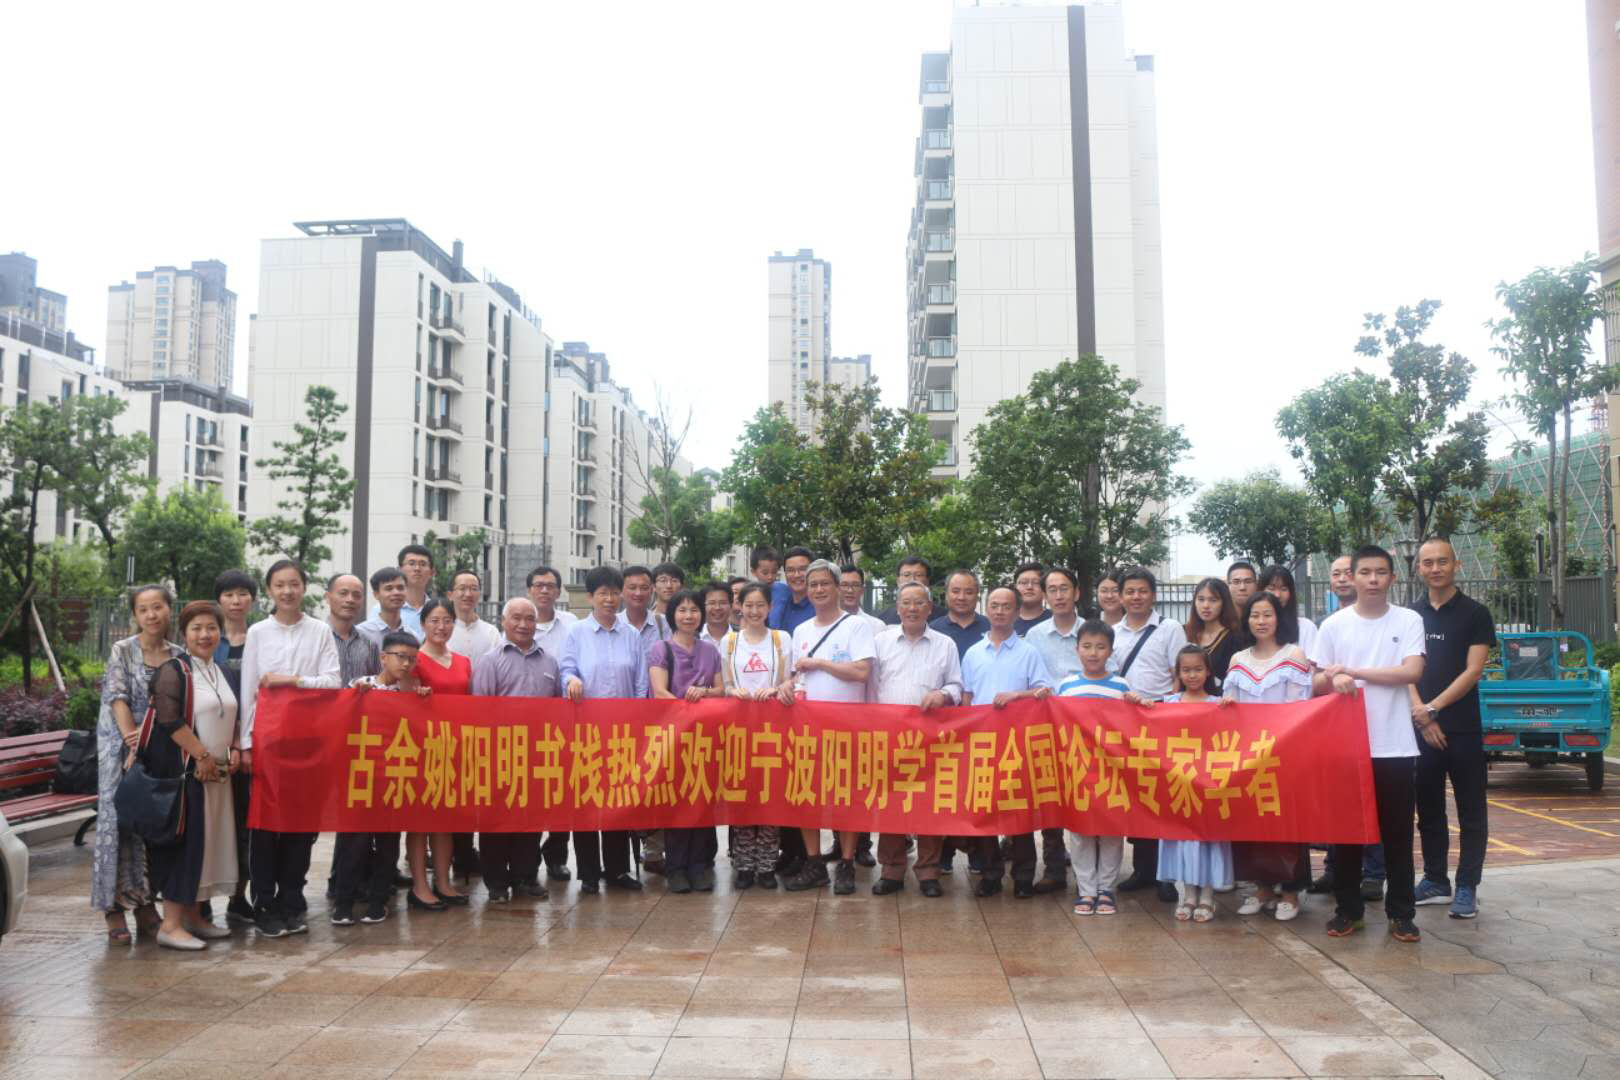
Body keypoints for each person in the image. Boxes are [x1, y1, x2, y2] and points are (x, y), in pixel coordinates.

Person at [1311, 544, 1426, 943]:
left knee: (1397, 835)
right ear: (1352, 577)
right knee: (1346, 834)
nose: (1373, 580)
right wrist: (1333, 678)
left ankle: (1402, 914)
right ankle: (1348, 911)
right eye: (1365, 572)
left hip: (1395, 746)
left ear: (1392, 577)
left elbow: (1411, 671)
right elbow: (1316, 682)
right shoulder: (1333, 626)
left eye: (1380, 572)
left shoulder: (1408, 620)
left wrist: (1353, 672)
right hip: (1347, 747)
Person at [239, 559, 342, 938]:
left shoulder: (319, 631)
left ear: (304, 587)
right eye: (280, 585)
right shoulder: (258, 633)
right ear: (269, 590)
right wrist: (245, 744)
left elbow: (333, 681)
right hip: (268, 742)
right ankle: (264, 902)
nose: (287, 591)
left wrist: (291, 680)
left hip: (309, 741)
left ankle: (292, 898)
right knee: (266, 826)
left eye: (294, 584)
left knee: (301, 825)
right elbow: (250, 690)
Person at [143, 601, 240, 950]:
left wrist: (235, 749)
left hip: (219, 776)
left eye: (211, 628)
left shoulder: (224, 671)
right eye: (196, 628)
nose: (204, 634)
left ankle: (195, 918)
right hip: (188, 774)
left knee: (208, 846)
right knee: (185, 846)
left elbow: (234, 714)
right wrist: (201, 754)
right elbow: (169, 720)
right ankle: (170, 925)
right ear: (183, 634)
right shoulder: (174, 670)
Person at [1409, 537, 1495, 920]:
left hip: (1463, 729)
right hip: (1421, 730)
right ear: (1419, 568)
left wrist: (1433, 708)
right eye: (1428, 562)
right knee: (1428, 810)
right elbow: (1406, 670)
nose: (1435, 568)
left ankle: (1466, 886)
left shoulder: (1476, 614)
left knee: (1471, 811)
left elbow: (1473, 671)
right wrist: (1422, 715)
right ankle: (1435, 881)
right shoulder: (1410, 616)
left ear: (1456, 565)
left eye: (1442, 561)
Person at [782, 559, 877, 894]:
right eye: (813, 585)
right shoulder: (801, 630)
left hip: (848, 726)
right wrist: (786, 686)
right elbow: (796, 675)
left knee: (847, 797)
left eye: (825, 583)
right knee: (807, 794)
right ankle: (814, 863)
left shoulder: (856, 626)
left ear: (838, 588)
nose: (819, 590)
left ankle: (847, 862)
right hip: (807, 727)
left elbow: (862, 672)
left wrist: (820, 662)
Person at [95, 585, 183, 942]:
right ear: (135, 615)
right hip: (121, 750)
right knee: (118, 826)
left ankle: (145, 904)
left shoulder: (178, 655)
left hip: (160, 752)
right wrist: (133, 740)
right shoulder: (123, 650)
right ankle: (113, 909)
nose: (151, 615)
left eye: (157, 607)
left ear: (168, 610)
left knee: (150, 827)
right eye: (143, 609)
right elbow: (116, 697)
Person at [1223, 592, 1312, 922]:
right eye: (1254, 615)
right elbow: (1231, 710)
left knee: (1287, 824)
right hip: (1248, 757)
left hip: (1284, 753)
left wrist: (1276, 742)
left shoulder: (1294, 655)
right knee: (1253, 823)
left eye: (1267, 615)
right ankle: (1262, 888)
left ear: (1279, 618)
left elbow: (1298, 707)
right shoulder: (1238, 660)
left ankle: (1290, 891)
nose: (1261, 621)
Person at [961, 584, 1054, 898]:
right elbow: (967, 697)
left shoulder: (1028, 652)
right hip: (982, 744)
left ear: (1016, 611)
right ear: (986, 609)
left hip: (1017, 745)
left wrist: (1017, 695)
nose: (1000, 611)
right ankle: (990, 874)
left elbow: (1044, 691)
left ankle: (1023, 876)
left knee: (1019, 810)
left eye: (1006, 606)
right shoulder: (974, 653)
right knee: (985, 809)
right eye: (994, 605)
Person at [870, 582, 963, 898]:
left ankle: (928, 871)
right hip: (888, 737)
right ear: (897, 608)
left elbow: (956, 685)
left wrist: (943, 694)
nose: (912, 608)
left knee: (928, 804)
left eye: (919, 603)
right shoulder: (881, 642)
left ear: (929, 608)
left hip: (930, 739)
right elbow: (870, 687)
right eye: (906, 603)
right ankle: (891, 870)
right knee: (891, 803)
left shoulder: (945, 644)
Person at [561, 568, 648, 894]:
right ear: (590, 597)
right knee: (585, 803)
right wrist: (571, 679)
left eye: (614, 592)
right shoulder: (577, 633)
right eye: (602, 593)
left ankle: (617, 870)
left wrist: (638, 722)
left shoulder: (632, 635)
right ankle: (587, 872)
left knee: (618, 803)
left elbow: (640, 682)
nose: (610, 599)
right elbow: (566, 668)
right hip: (586, 733)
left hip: (623, 734)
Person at [472, 597, 566, 901]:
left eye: (529, 618)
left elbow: (556, 707)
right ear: (503, 621)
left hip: (536, 755)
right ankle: (497, 882)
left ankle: (526, 876)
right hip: (499, 754)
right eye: (516, 618)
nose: (523, 624)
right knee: (497, 820)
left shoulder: (550, 661)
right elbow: (480, 712)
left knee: (531, 820)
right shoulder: (490, 660)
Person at [1055, 619, 1147, 916]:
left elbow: (1133, 726)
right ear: (1077, 649)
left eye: (1100, 647)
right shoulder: (1067, 686)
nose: (1093, 653)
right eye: (1087, 646)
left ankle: (1106, 889)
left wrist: (1135, 704)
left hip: (1111, 769)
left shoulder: (1121, 686)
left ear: (1110, 651)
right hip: (1078, 768)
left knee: (1111, 828)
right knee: (1080, 830)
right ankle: (1086, 890)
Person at [338, 630, 430, 923]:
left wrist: (423, 701)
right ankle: (344, 903)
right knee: (354, 843)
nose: (406, 664)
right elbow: (340, 722)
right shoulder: (359, 685)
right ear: (383, 657)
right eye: (400, 657)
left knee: (388, 842)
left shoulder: (412, 691)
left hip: (394, 777)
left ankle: (379, 901)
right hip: (362, 778)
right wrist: (355, 699)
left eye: (412, 659)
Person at [1110, 566, 1187, 901]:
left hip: (1160, 719)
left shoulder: (1169, 628)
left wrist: (1169, 712)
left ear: (1153, 595)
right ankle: (1142, 869)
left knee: (1164, 798)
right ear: (1120, 596)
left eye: (1142, 591)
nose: (1136, 597)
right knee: (1137, 796)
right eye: (1130, 591)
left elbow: (1179, 674)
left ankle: (1166, 875)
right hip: (1126, 723)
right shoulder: (1113, 632)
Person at [649, 589, 726, 893]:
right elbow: (659, 693)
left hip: (706, 738)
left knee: (703, 800)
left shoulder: (710, 650)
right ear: (673, 616)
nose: (688, 615)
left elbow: (720, 690)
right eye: (682, 610)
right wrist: (686, 710)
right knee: (677, 802)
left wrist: (703, 692)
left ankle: (699, 866)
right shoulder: (661, 649)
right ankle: (677, 867)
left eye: (694, 610)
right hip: (674, 738)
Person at [720, 583, 795, 889]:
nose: (753, 611)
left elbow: (790, 680)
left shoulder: (781, 639)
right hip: (739, 729)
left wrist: (777, 689)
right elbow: (724, 683)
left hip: (773, 729)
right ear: (739, 606)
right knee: (742, 795)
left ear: (769, 608)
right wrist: (732, 691)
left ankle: (766, 865)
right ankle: (743, 865)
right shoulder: (729, 641)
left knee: (769, 795)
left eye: (760, 605)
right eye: (748, 605)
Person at [1021, 565, 1090, 892]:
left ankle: (1089, 872)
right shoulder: (1034, 636)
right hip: (1046, 727)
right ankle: (1054, 867)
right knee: (1049, 794)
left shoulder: (1093, 631)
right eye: (1052, 590)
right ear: (1045, 596)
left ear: (1076, 592)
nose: (1059, 595)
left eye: (1065, 588)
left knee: (1084, 796)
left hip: (1085, 729)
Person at [322, 572, 387, 920]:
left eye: (356, 595)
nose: (349, 600)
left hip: (360, 744)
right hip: (321, 739)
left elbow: (379, 691)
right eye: (343, 593)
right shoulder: (315, 638)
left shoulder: (369, 645)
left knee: (357, 818)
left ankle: (350, 884)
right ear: (328, 596)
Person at [1154, 645, 1233, 923]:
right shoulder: (1168, 703)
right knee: (1183, 839)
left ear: (1208, 671)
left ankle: (1208, 896)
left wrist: (1229, 710)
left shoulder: (1218, 703)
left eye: (1198, 669)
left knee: (1208, 838)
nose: (1192, 675)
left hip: (1209, 783)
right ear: (1178, 672)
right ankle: (1188, 894)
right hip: (1180, 783)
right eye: (1186, 670)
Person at [405, 598, 473, 908]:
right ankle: (420, 886)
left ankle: (443, 882)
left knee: (445, 819)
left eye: (447, 621)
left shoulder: (463, 661)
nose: (441, 627)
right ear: (422, 624)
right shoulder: (413, 660)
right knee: (420, 820)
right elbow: (403, 703)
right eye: (434, 620)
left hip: (455, 749)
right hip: (422, 748)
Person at [524, 564, 578, 882]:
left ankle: (556, 856)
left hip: (565, 721)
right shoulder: (518, 620)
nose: (544, 590)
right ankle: (528, 858)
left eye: (550, 585)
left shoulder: (572, 624)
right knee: (531, 794)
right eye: (538, 585)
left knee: (562, 792)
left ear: (558, 591)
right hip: (527, 724)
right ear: (529, 589)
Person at [212, 569, 258, 925]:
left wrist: (245, 738)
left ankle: (239, 897)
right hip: (212, 744)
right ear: (219, 600)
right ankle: (199, 901)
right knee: (212, 823)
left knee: (246, 822)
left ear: (252, 600)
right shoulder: (209, 640)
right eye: (229, 594)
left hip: (252, 744)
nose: (236, 601)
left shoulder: (260, 638)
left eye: (242, 594)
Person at [366, 543, 434, 635]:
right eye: (411, 563)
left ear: (432, 572)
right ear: (399, 570)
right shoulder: (380, 609)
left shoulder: (435, 609)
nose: (417, 568)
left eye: (423, 564)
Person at [1183, 577, 1242, 684]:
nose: (1206, 605)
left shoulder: (1235, 637)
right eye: (1201, 599)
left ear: (1224, 603)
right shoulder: (1183, 632)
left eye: (1213, 600)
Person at [929, 569, 990, 658]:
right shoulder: (933, 630)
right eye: (956, 591)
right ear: (946, 594)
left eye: (969, 592)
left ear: (977, 596)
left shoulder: (991, 627)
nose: (961, 597)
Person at [1260, 565, 1317, 656]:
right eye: (1271, 588)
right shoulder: (1254, 627)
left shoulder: (1306, 627)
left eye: (1284, 589)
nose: (1277, 595)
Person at [447, 568, 502, 659]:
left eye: (474, 589)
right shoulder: (443, 631)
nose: (468, 594)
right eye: (462, 588)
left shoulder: (492, 633)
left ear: (479, 595)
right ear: (450, 595)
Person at [359, 566, 423, 643]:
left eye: (400, 588)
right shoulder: (362, 633)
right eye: (389, 588)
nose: (396, 592)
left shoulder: (413, 636)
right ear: (376, 594)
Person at [768, 547, 816, 633]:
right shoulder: (779, 602)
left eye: (802, 569)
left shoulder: (820, 609)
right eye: (790, 570)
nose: (796, 575)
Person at [877, 554, 931, 624]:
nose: (912, 579)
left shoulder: (941, 617)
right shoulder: (883, 620)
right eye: (906, 575)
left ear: (927, 580)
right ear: (898, 581)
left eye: (918, 575)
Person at [838, 564, 887, 633]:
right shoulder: (826, 624)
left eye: (855, 585)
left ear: (862, 590)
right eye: (844, 585)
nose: (850, 590)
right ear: (836, 589)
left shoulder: (876, 626)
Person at [1012, 561, 1051, 634]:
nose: (1029, 587)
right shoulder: (1003, 620)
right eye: (1024, 582)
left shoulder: (1056, 620)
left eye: (1036, 583)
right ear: (1015, 587)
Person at [652, 562, 685, 634]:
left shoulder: (688, 619)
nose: (669, 586)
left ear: (682, 587)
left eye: (674, 580)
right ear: (653, 586)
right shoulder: (647, 619)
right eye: (663, 580)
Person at [699, 581, 735, 645]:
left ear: (731, 606)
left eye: (723, 603)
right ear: (702, 606)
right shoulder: (694, 636)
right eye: (711, 603)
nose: (717, 608)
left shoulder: (741, 636)